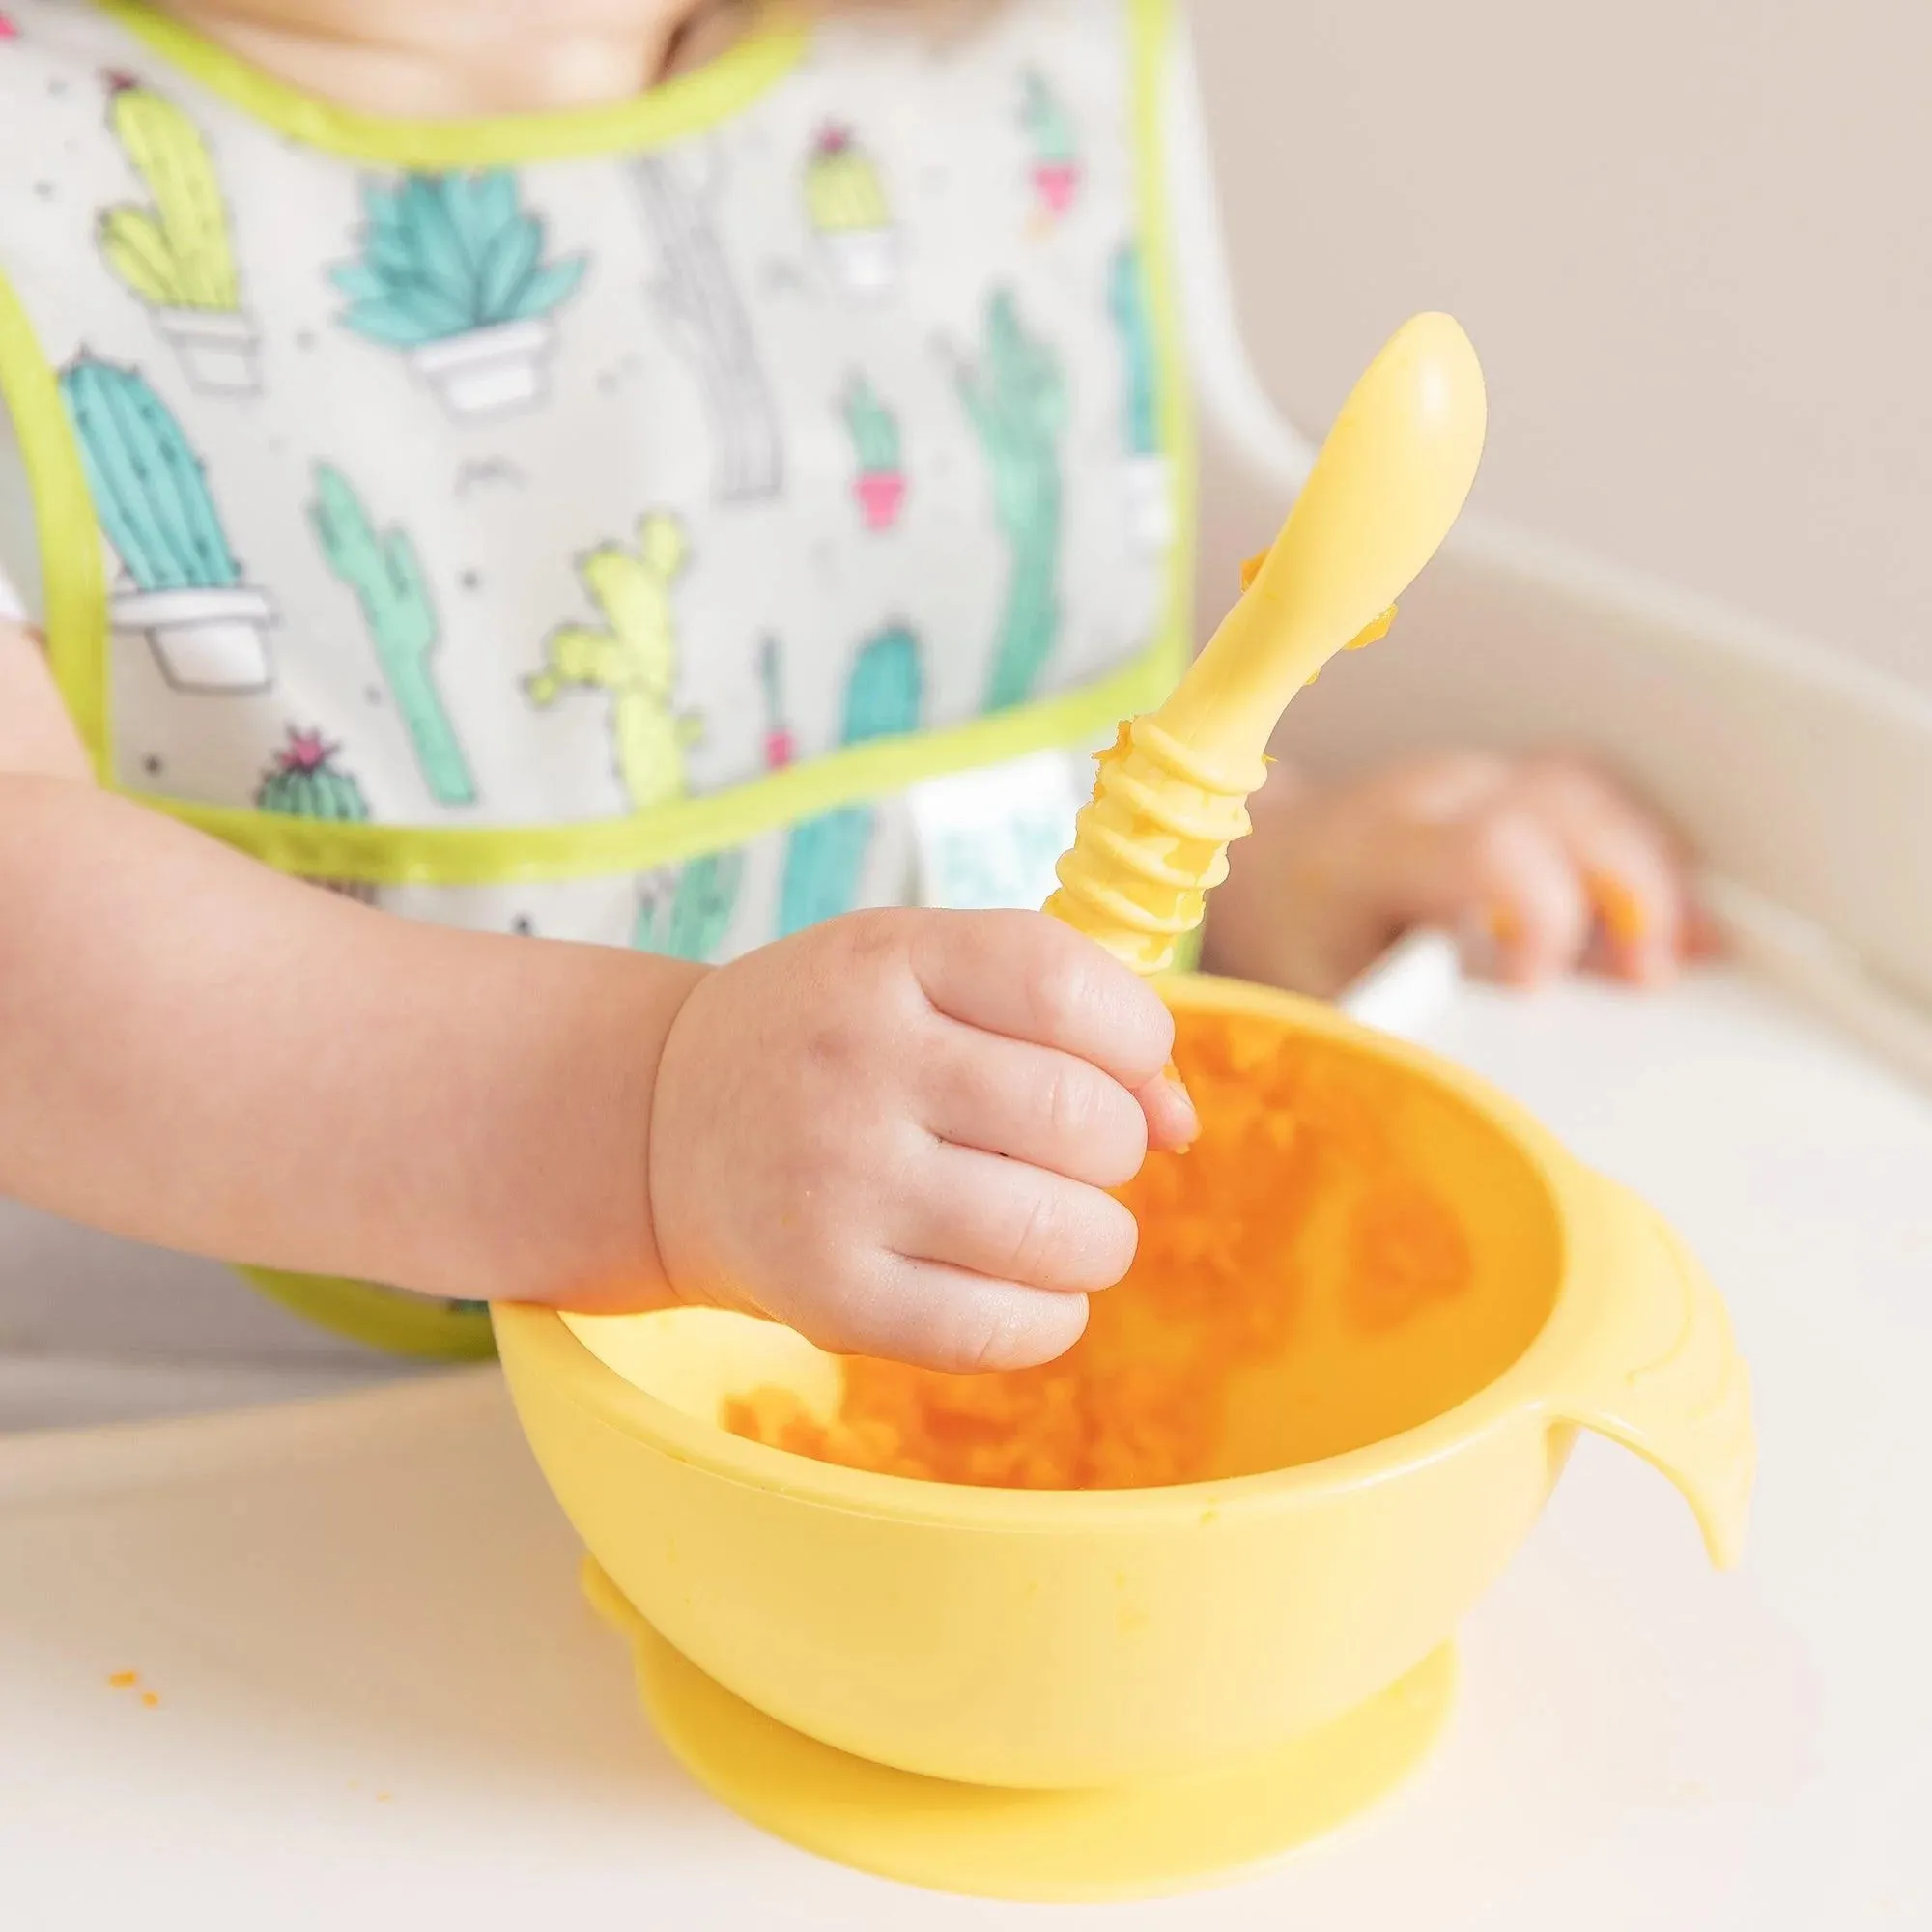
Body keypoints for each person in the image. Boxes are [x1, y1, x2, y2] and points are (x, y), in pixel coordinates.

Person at [0, 0, 1696, 1378]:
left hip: (958, 1491)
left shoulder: (957, 104)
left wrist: (1274, 877)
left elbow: (948, 719)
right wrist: (645, 1120)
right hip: (272, 1553)